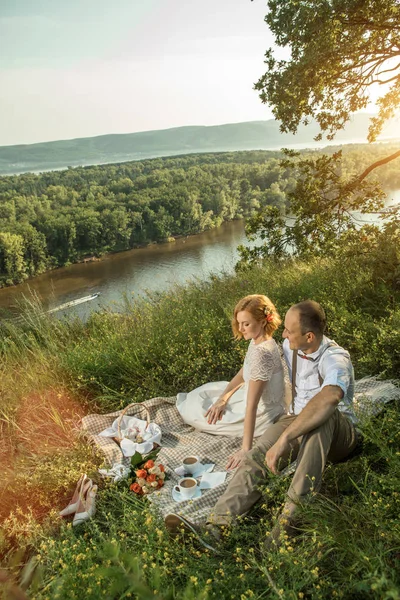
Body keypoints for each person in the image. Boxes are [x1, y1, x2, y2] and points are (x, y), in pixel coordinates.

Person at [165, 300, 359, 545]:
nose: (283, 334)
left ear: (309, 336)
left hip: (340, 434)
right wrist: (225, 396)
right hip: (295, 419)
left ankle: (285, 531)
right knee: (257, 456)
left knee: (323, 417)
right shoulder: (289, 347)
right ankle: (215, 530)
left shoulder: (335, 358)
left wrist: (286, 437)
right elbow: (251, 368)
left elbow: (330, 397)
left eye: (289, 331)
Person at [176, 295, 286, 469]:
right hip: (251, 397)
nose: (241, 328)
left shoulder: (262, 354)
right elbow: (243, 375)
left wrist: (245, 449)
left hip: (261, 415)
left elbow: (252, 406)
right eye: (239, 323)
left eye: (246, 324)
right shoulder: (258, 342)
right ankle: (220, 400)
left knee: (195, 412)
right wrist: (223, 399)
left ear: (263, 321)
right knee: (203, 395)